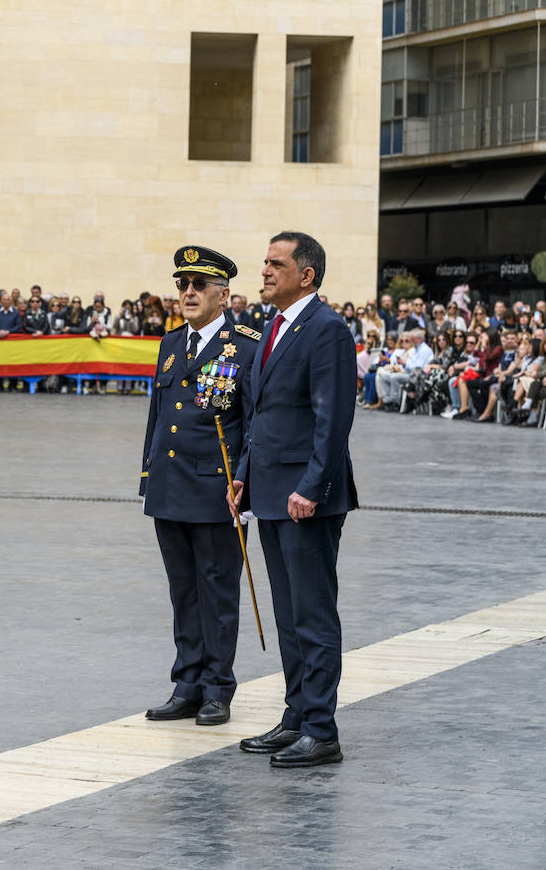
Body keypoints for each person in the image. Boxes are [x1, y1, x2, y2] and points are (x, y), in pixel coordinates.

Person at [231, 231, 357, 769]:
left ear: (305, 275)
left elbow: (333, 420)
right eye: (264, 263)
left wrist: (311, 486)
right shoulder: (273, 328)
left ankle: (322, 730)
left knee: (313, 613)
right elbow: (263, 417)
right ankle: (296, 716)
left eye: (275, 264)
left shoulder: (326, 330)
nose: (263, 271)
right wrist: (242, 474)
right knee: (287, 613)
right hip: (269, 490)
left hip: (307, 498)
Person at [141, 246, 259, 728]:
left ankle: (217, 687)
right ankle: (186, 684)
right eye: (182, 285)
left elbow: (254, 422)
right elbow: (157, 417)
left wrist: (245, 480)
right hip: (170, 487)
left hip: (217, 491)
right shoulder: (171, 344)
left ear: (223, 294)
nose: (188, 293)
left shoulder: (247, 345)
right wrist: (148, 474)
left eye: (199, 285)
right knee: (183, 590)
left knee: (217, 590)